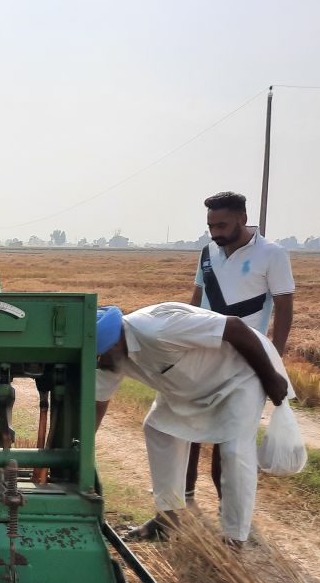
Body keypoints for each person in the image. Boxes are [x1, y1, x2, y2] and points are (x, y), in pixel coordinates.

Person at [94, 302, 291, 545]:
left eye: (99, 355)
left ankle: (235, 538)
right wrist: (79, 450)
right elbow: (97, 405)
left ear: (114, 342)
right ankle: (168, 519)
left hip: (240, 375)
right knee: (158, 429)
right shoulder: (109, 358)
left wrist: (270, 376)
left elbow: (235, 327)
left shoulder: (156, 329)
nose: (98, 362)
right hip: (191, 386)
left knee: (235, 450)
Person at [185, 191, 295, 509]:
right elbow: (197, 299)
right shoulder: (207, 252)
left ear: (243, 219)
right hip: (203, 353)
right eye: (211, 226)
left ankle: (227, 506)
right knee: (188, 425)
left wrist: (274, 357)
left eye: (222, 225)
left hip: (245, 359)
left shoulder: (273, 254)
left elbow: (285, 308)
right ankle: (186, 497)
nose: (215, 232)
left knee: (229, 437)